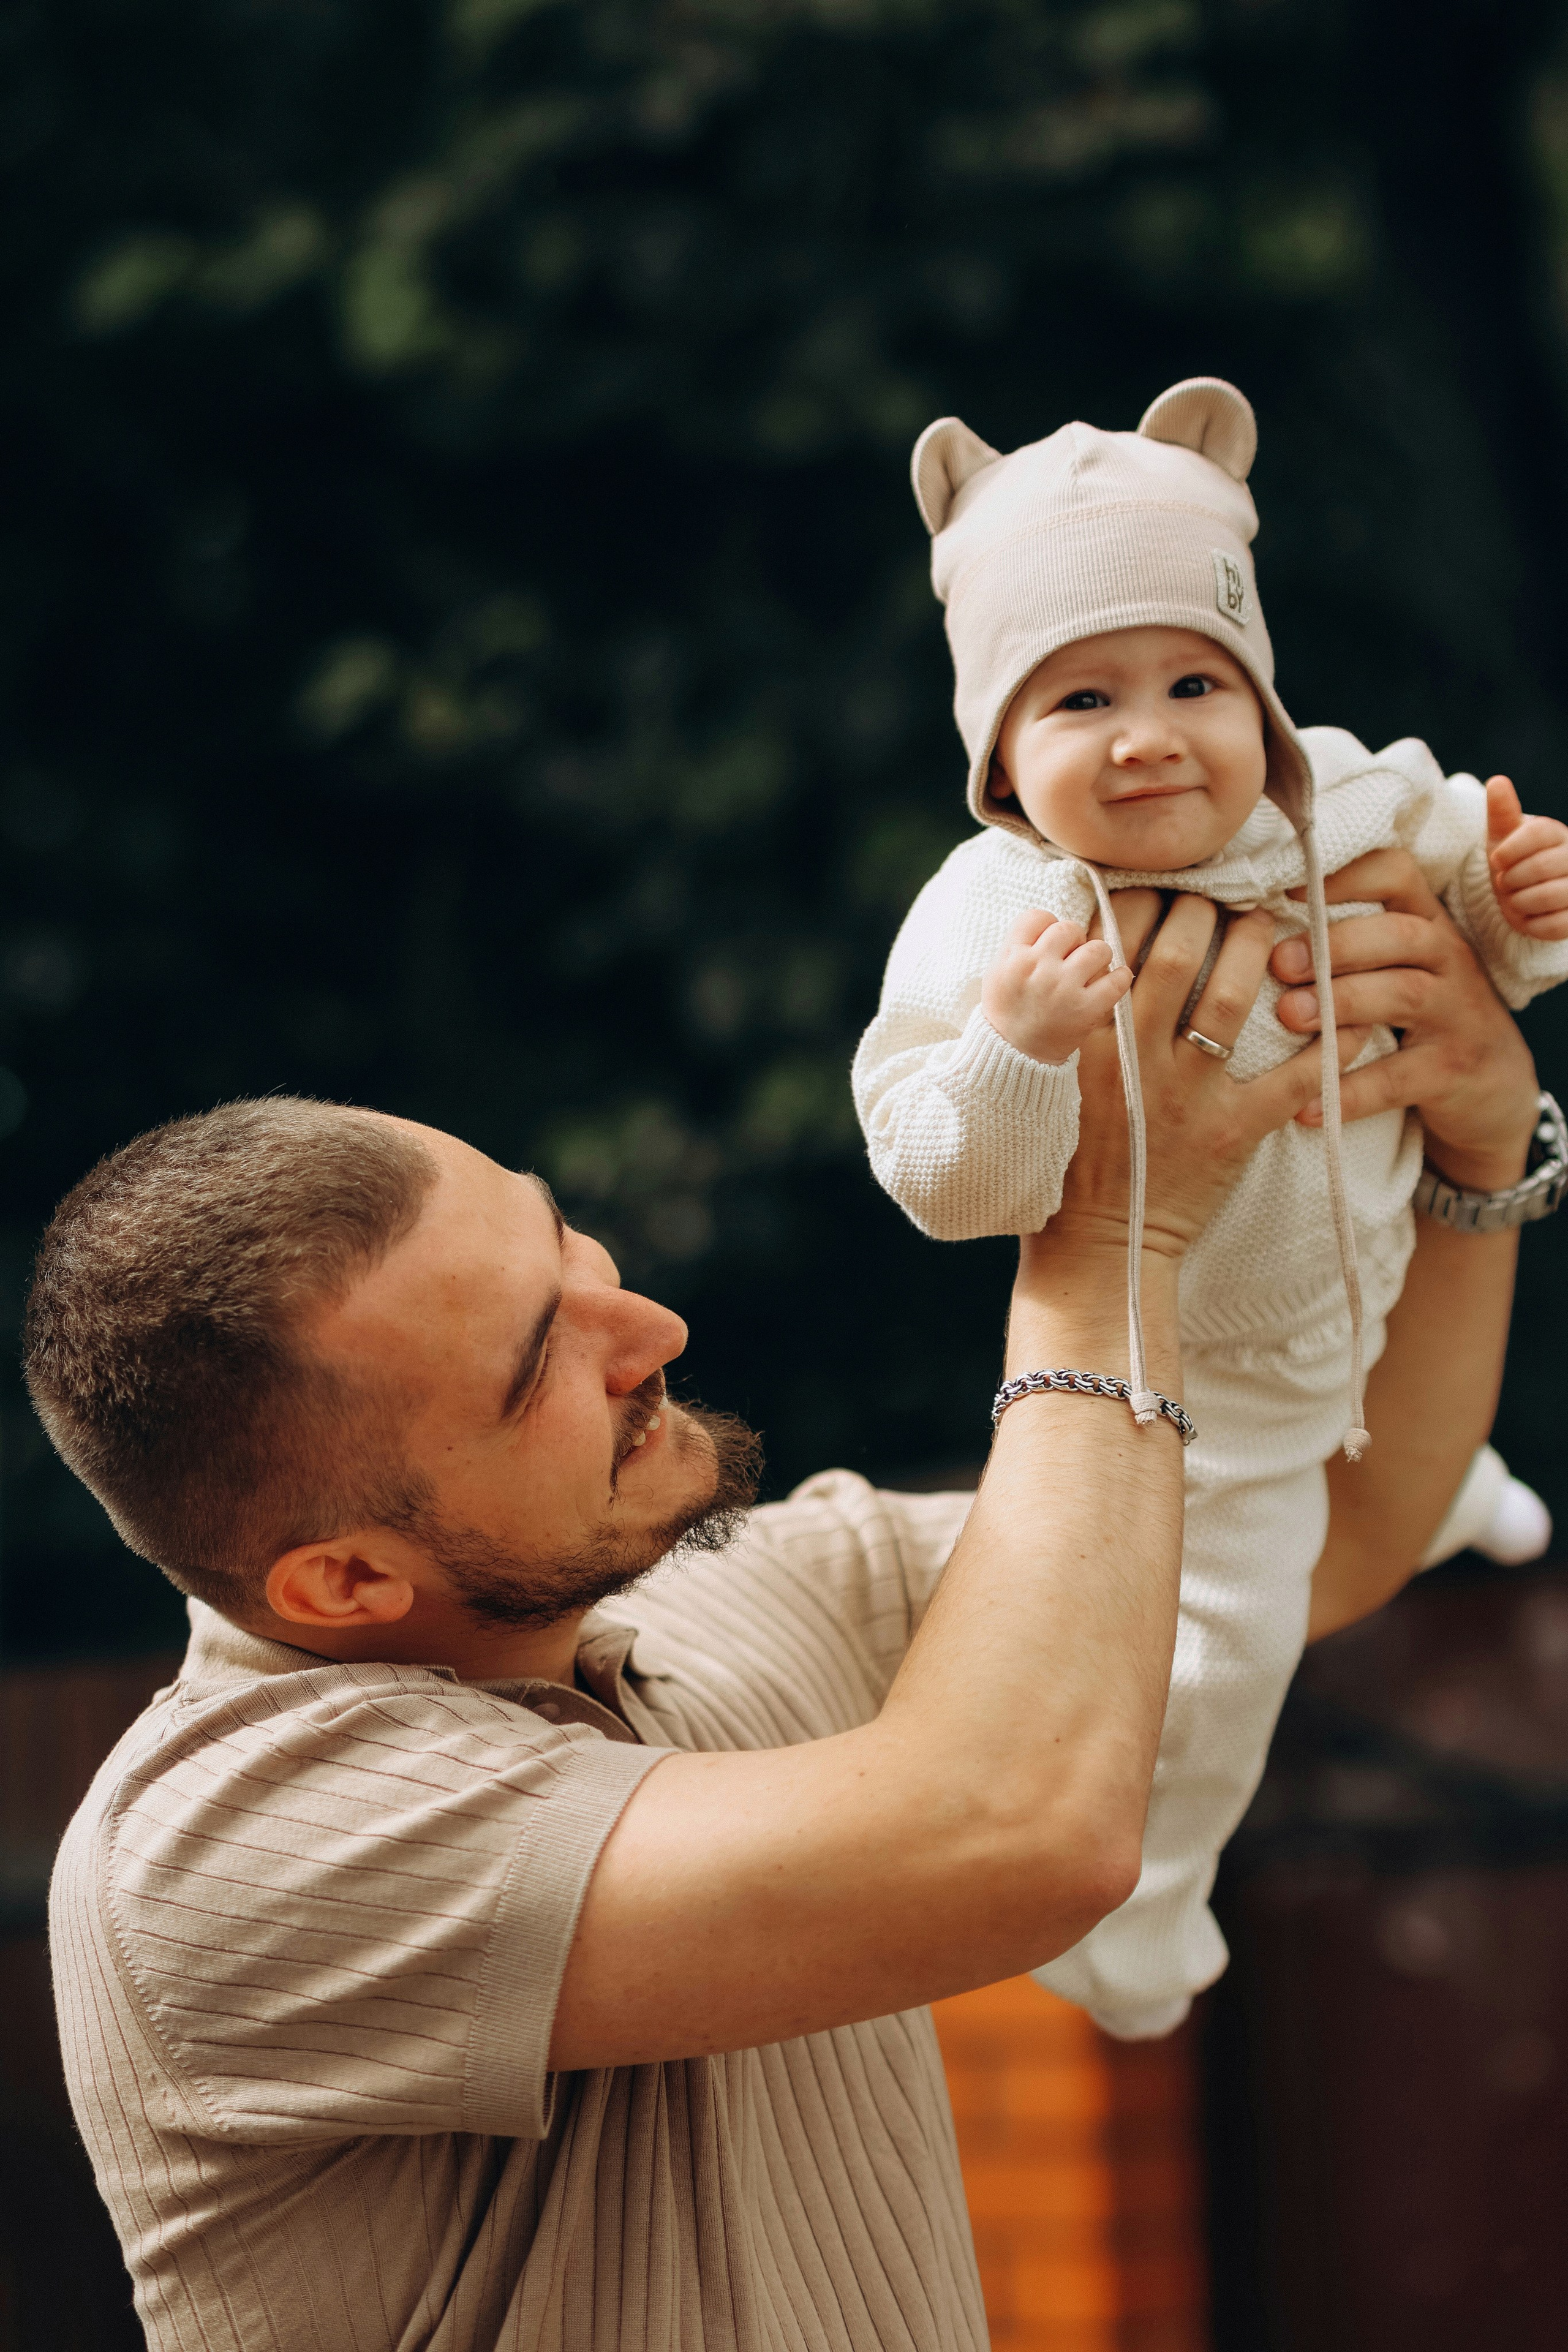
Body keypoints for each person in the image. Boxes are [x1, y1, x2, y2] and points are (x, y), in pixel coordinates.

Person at [37, 874, 1542, 2352]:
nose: (652, 1332)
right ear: (344, 1583)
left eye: (567, 1247)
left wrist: (1477, 1163)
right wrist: (1107, 1250)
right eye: (535, 1365)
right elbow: (1025, 1837)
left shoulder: (729, 1594)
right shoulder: (232, 1843)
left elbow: (1317, 1538)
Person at [853, 376, 1568, 2037]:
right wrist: (1022, 1054)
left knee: (1391, 1435)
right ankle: (1145, 1914)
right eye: (1081, 698)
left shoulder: (1354, 798)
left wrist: (1523, 914)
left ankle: (1451, 1484)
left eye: (1193, 678)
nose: (1151, 730)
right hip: (1204, 1376)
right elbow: (941, 1180)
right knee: (1213, 1656)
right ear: (1005, 770)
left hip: (1370, 1276)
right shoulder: (996, 925)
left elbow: (1481, 901)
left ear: (1260, 693)